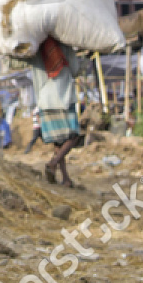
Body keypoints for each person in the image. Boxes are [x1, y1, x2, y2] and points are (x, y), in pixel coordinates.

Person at [30, 36, 85, 187]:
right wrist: (85, 62)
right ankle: (53, 163)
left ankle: (66, 178)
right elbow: (74, 70)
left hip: (44, 100)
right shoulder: (65, 47)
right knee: (73, 136)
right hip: (63, 97)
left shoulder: (35, 49)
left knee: (58, 142)